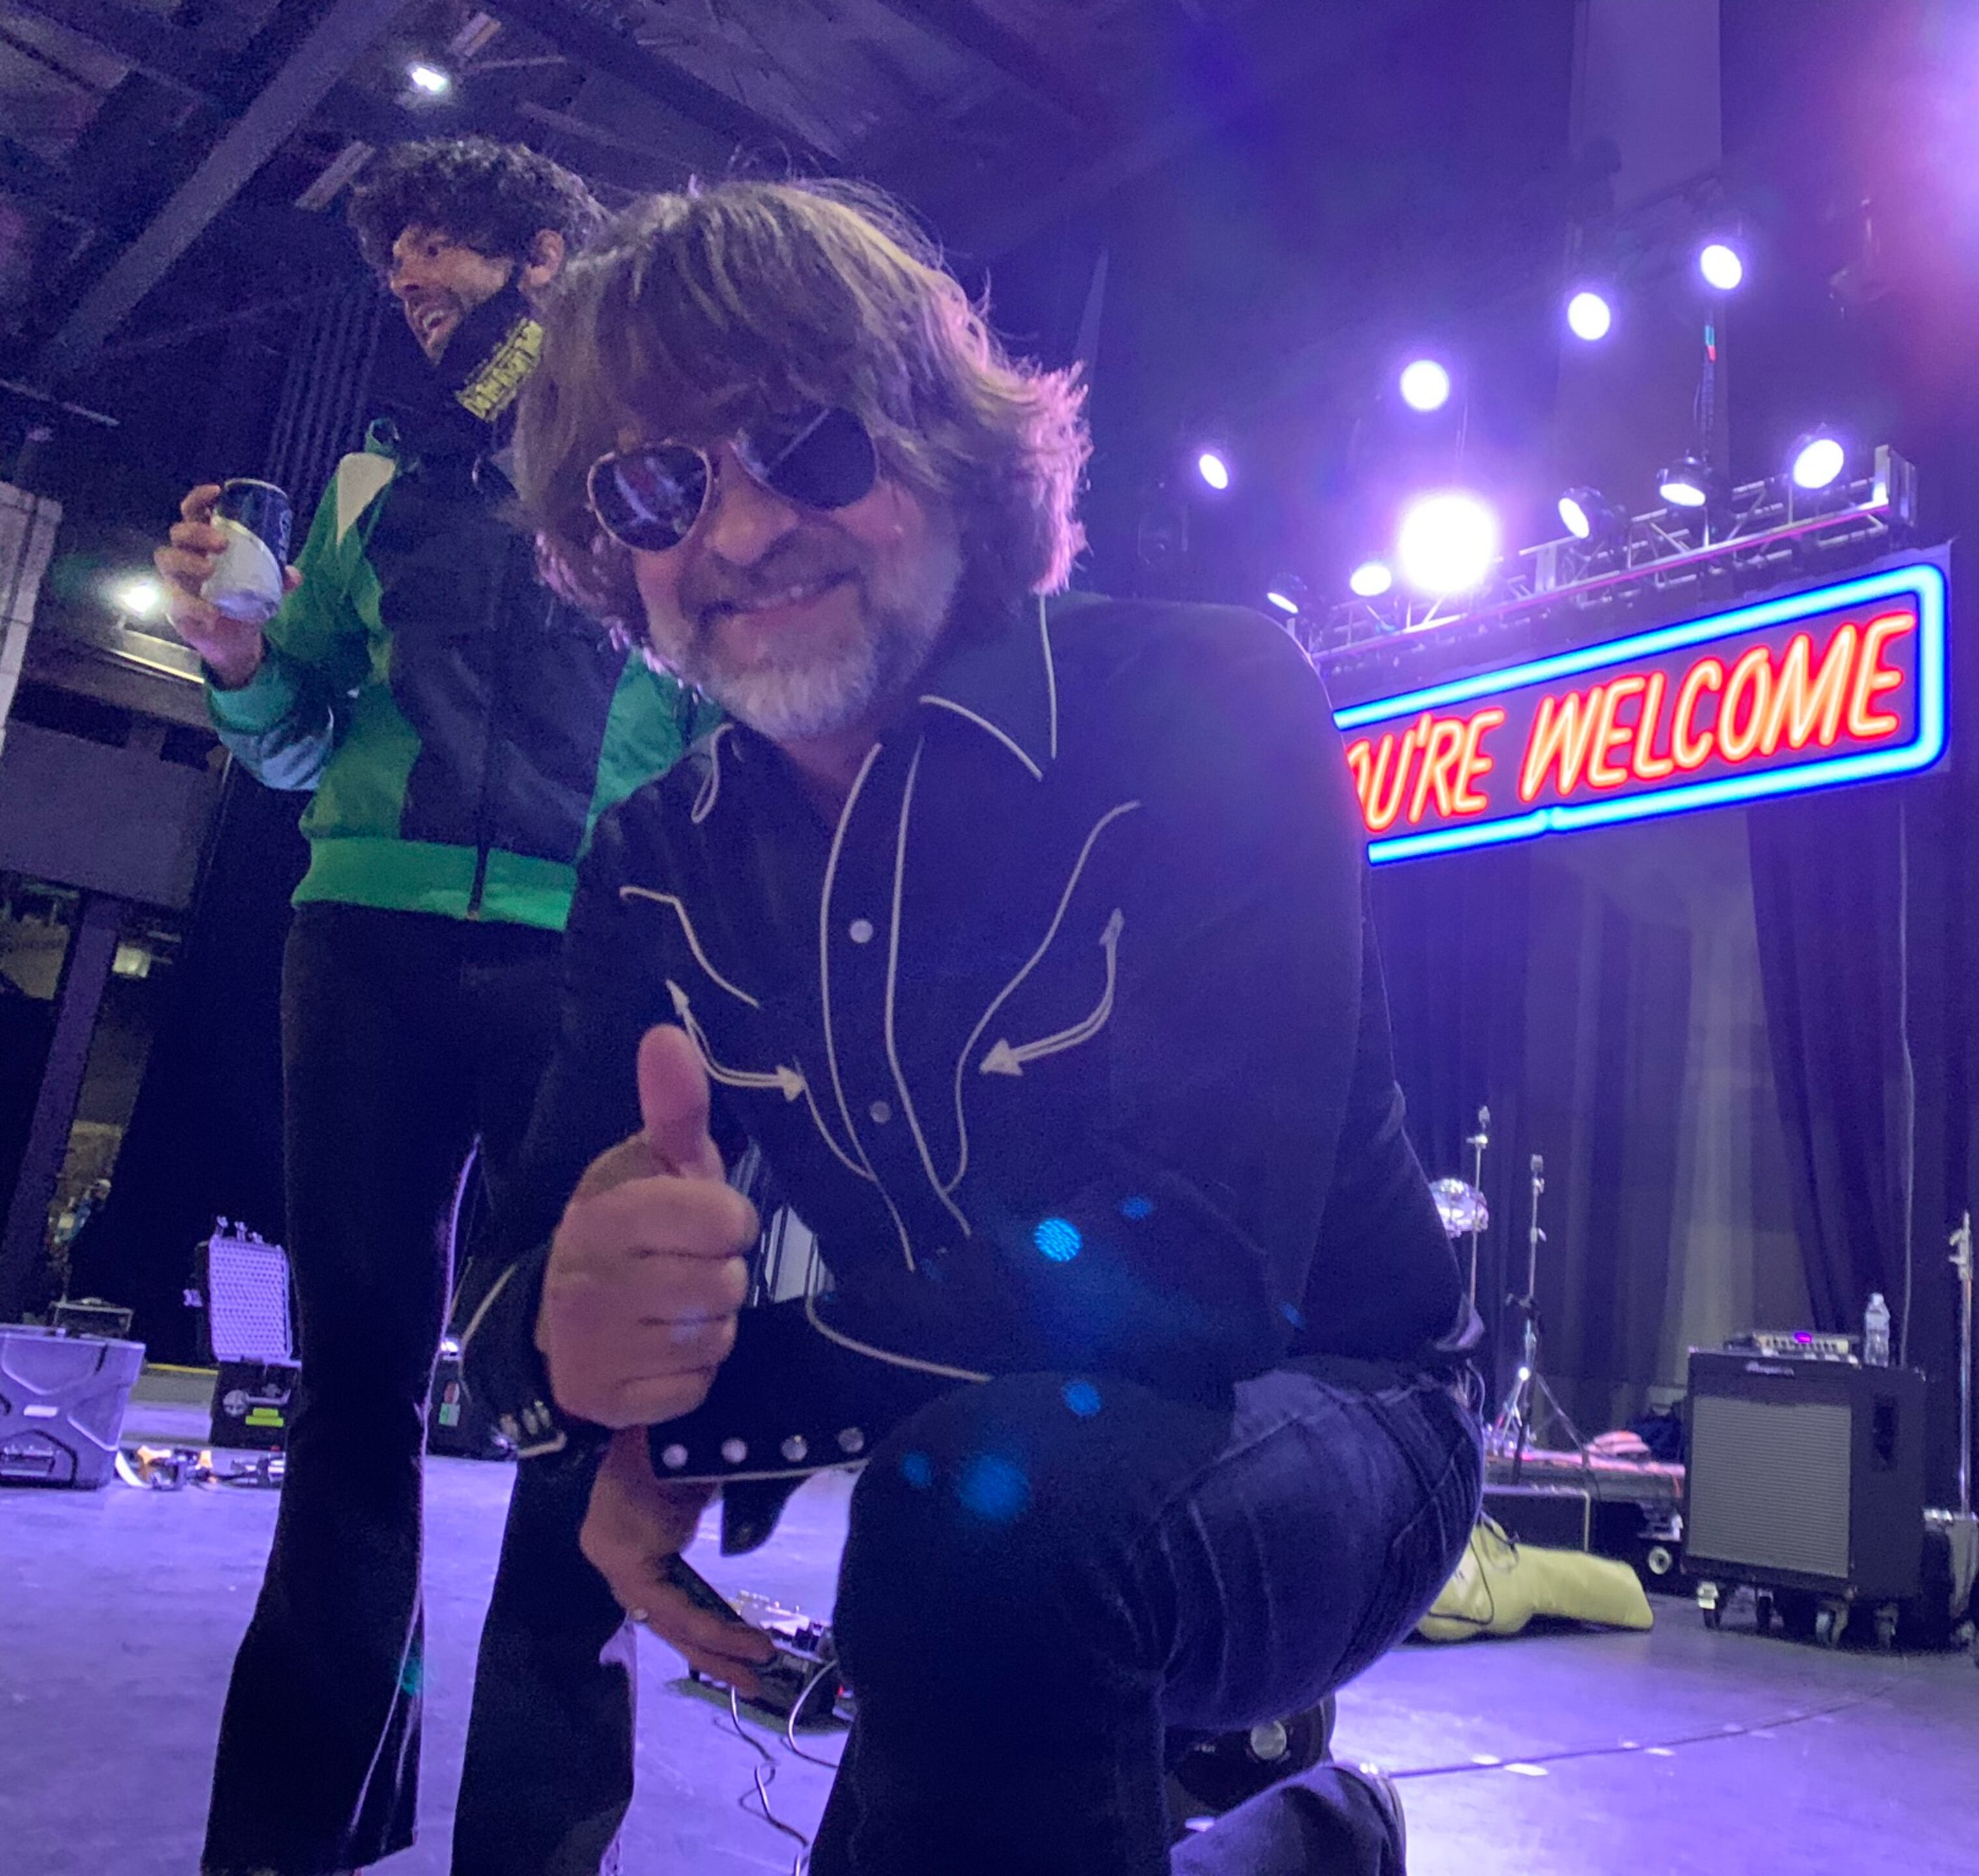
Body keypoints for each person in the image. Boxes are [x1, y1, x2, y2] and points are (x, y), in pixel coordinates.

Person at [457, 178, 1483, 1874]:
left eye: (805, 442)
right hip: (991, 1460)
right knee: (974, 1569)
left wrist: (716, 1412)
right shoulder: (656, 864)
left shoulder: (1206, 697)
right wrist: (589, 1361)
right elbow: (511, 1288)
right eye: (656, 485)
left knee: (977, 1529)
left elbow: (1195, 1269)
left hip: (1340, 1419)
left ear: (943, 452)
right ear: (607, 552)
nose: (734, 533)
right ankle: (1300, 1853)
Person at [153, 139, 705, 1876]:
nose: (415, 286)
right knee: (352, 1393)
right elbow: (305, 723)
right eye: (399, 267)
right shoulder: (374, 473)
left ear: (549, 260)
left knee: (578, 1415)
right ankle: (299, 1830)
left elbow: (716, 734)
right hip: (362, 946)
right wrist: (237, 666)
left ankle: (533, 1849)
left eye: (446, 256)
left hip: (583, 963)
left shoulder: (663, 471)